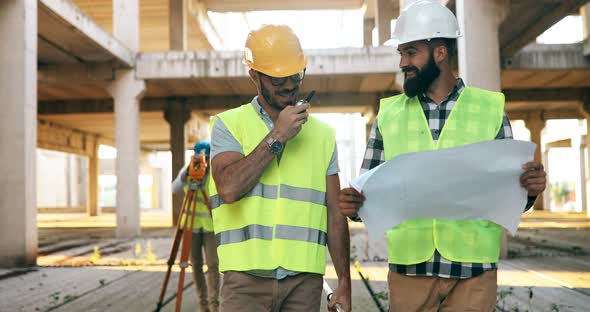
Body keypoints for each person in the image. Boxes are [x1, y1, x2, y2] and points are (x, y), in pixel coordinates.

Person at [338, 1, 547, 311]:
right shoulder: (390, 115)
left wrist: (529, 189)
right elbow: (368, 192)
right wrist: (354, 205)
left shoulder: (489, 109)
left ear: (440, 52)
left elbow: (508, 192)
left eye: (411, 52)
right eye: (402, 53)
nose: (403, 63)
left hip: (473, 272)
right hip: (410, 269)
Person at [208, 24, 351, 312]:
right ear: (254, 76)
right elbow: (228, 188)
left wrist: (345, 283)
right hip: (244, 282)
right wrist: (277, 136)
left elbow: (335, 215)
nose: (288, 84)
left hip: (304, 282)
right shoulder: (228, 125)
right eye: (276, 78)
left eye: (294, 75)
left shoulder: (323, 135)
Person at [172, 141, 220, 312]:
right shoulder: (188, 170)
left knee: (213, 265)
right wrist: (187, 173)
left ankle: (215, 305)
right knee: (196, 264)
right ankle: (203, 304)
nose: (203, 161)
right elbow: (175, 188)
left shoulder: (215, 172)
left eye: (206, 157)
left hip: (209, 227)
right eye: (200, 157)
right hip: (191, 227)